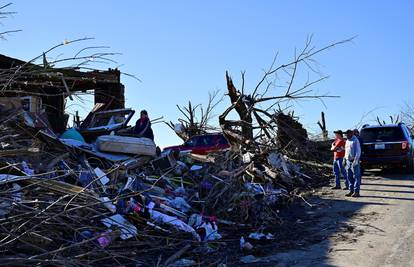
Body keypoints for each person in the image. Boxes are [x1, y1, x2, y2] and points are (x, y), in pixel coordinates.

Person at [344, 129, 362, 197]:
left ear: (351, 134)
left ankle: (356, 192)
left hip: (354, 161)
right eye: (346, 134)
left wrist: (356, 160)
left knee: (356, 177)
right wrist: (344, 159)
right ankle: (351, 191)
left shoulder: (355, 140)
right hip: (348, 161)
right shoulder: (347, 141)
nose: (346, 136)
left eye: (347, 134)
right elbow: (346, 151)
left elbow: (358, 151)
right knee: (349, 176)